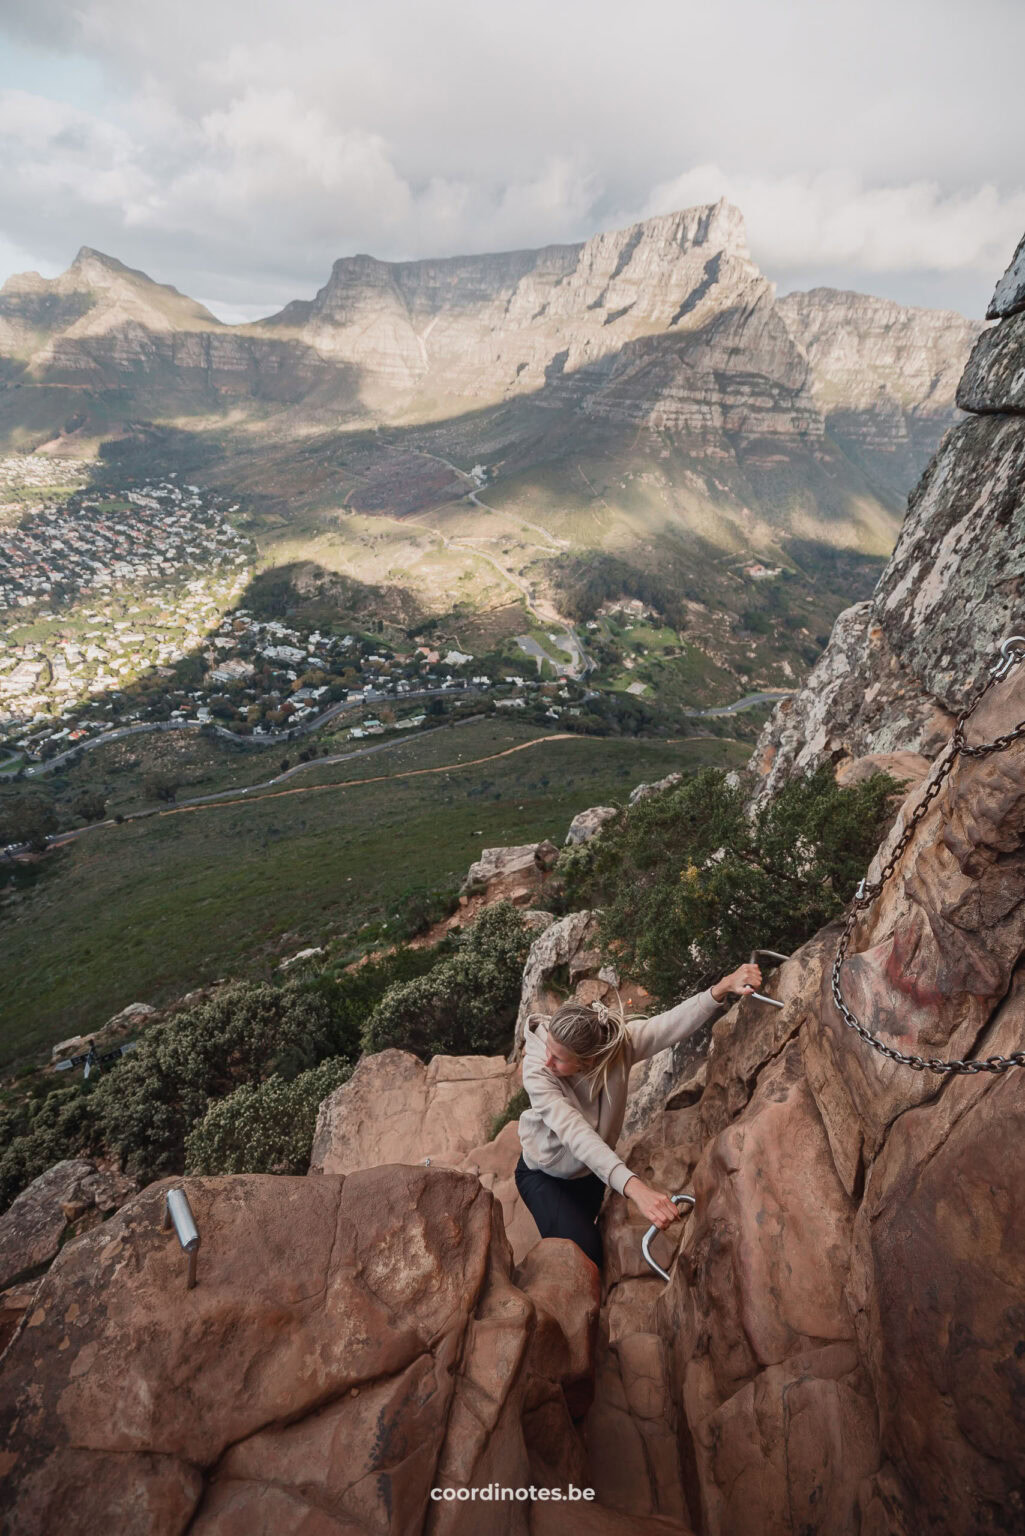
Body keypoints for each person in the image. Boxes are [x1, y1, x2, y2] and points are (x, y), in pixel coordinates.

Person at [514, 962, 762, 1268]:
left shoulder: (618, 1048)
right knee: (583, 1258)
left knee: (596, 1237)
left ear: (589, 1059)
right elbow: (575, 1133)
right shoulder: (538, 1073)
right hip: (545, 1175)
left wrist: (721, 988)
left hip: (590, 1173)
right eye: (548, 1050)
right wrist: (638, 1190)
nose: (546, 1061)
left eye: (559, 1059)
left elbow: (667, 1027)